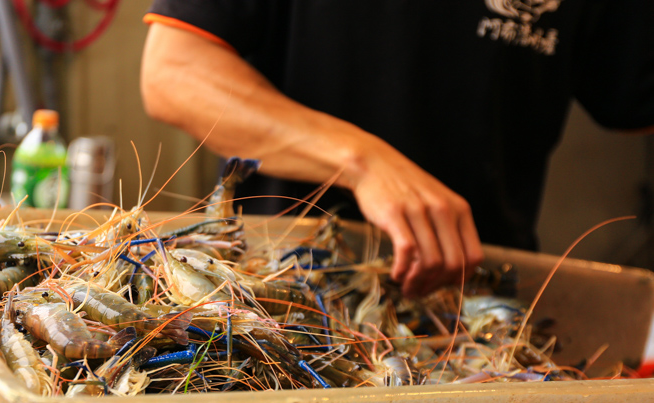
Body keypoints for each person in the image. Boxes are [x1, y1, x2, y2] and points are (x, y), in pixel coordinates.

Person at [139, 1, 654, 297]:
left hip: (478, 307)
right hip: (273, 297)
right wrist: (363, 164)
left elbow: (630, 98)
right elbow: (174, 72)